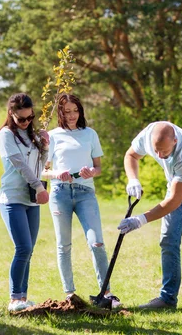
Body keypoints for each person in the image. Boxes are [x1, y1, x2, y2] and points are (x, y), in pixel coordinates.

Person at [118, 121, 182, 314]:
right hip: (176, 183)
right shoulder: (148, 135)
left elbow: (174, 201)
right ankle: (167, 298)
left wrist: (140, 220)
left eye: (164, 151)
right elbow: (131, 155)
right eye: (156, 151)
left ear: (175, 140)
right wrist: (133, 178)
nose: (160, 156)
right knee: (168, 240)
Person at [42, 94, 120, 306]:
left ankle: (106, 294)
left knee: (97, 242)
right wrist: (57, 173)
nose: (71, 115)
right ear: (60, 112)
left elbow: (99, 167)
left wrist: (91, 172)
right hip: (60, 193)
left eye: (75, 110)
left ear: (80, 111)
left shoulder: (90, 134)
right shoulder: (53, 136)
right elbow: (43, 171)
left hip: (86, 193)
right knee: (63, 245)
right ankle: (69, 294)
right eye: (66, 111)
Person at [0, 93, 50, 312]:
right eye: (22, 119)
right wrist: (39, 186)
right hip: (13, 198)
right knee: (23, 247)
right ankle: (14, 299)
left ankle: (23, 299)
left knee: (29, 250)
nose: (27, 122)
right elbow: (18, 163)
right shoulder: (6, 134)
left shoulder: (33, 135)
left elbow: (40, 165)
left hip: (31, 200)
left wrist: (45, 146)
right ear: (11, 114)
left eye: (30, 117)